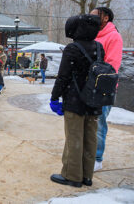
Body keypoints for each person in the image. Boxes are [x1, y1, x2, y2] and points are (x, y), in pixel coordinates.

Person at [50, 14, 105, 188]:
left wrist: (54, 98)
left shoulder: (72, 48)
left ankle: (72, 176)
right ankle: (87, 176)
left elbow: (63, 77)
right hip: (94, 100)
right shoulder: (99, 47)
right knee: (90, 138)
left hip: (75, 100)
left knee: (74, 138)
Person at [89, 7, 123, 172]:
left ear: (105, 17)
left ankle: (97, 158)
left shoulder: (114, 36)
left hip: (104, 88)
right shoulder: (92, 35)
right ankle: (88, 154)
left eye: (95, 15)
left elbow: (112, 65)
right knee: (89, 123)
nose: (91, 18)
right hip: (88, 87)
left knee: (99, 123)